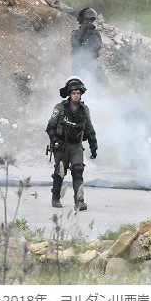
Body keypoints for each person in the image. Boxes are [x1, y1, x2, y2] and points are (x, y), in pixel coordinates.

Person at [46, 77, 98, 211]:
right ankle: (55, 197)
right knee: (60, 172)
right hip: (62, 145)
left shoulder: (84, 109)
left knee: (78, 171)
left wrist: (93, 147)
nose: (76, 95)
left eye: (78, 93)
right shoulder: (60, 108)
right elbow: (50, 127)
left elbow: (89, 129)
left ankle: (79, 201)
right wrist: (55, 141)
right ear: (69, 94)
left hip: (76, 146)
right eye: (73, 93)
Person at [70, 7, 108, 85]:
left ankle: (106, 91)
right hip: (78, 61)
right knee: (78, 83)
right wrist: (82, 31)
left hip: (90, 60)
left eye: (91, 21)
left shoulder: (95, 33)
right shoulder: (76, 33)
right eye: (86, 21)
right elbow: (75, 44)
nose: (88, 23)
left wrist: (91, 34)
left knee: (102, 79)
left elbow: (98, 46)